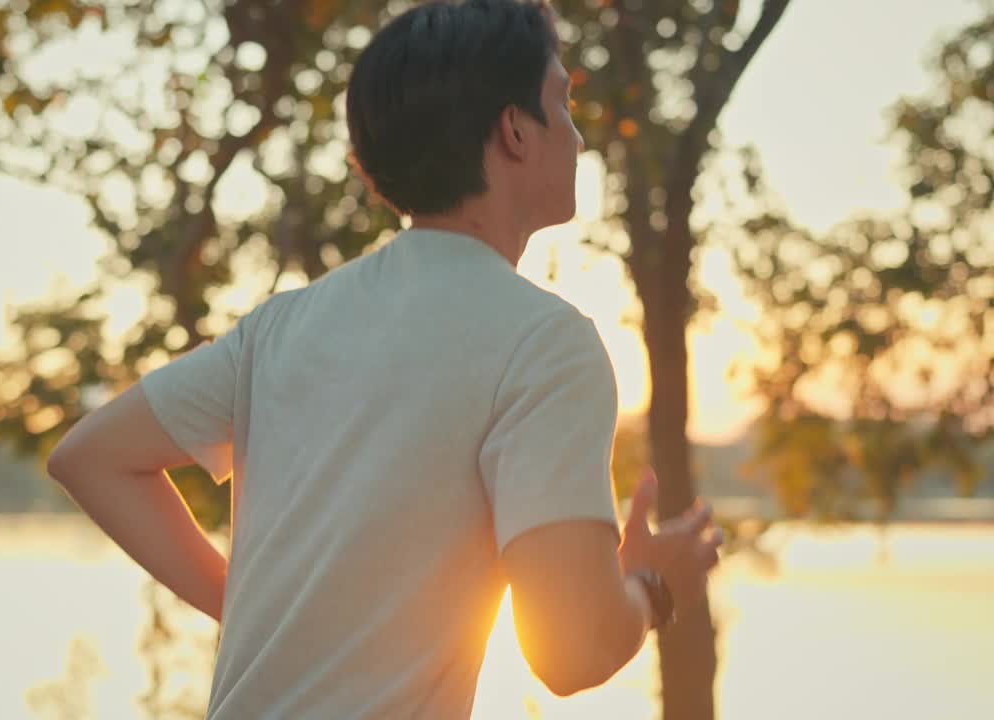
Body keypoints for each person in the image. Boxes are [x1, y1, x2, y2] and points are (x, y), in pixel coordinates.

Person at [46, 0, 724, 717]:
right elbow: (571, 652)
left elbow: (91, 456)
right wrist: (653, 586)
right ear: (515, 129)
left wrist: (259, 621)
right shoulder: (546, 345)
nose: (581, 135)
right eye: (563, 100)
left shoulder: (281, 327)